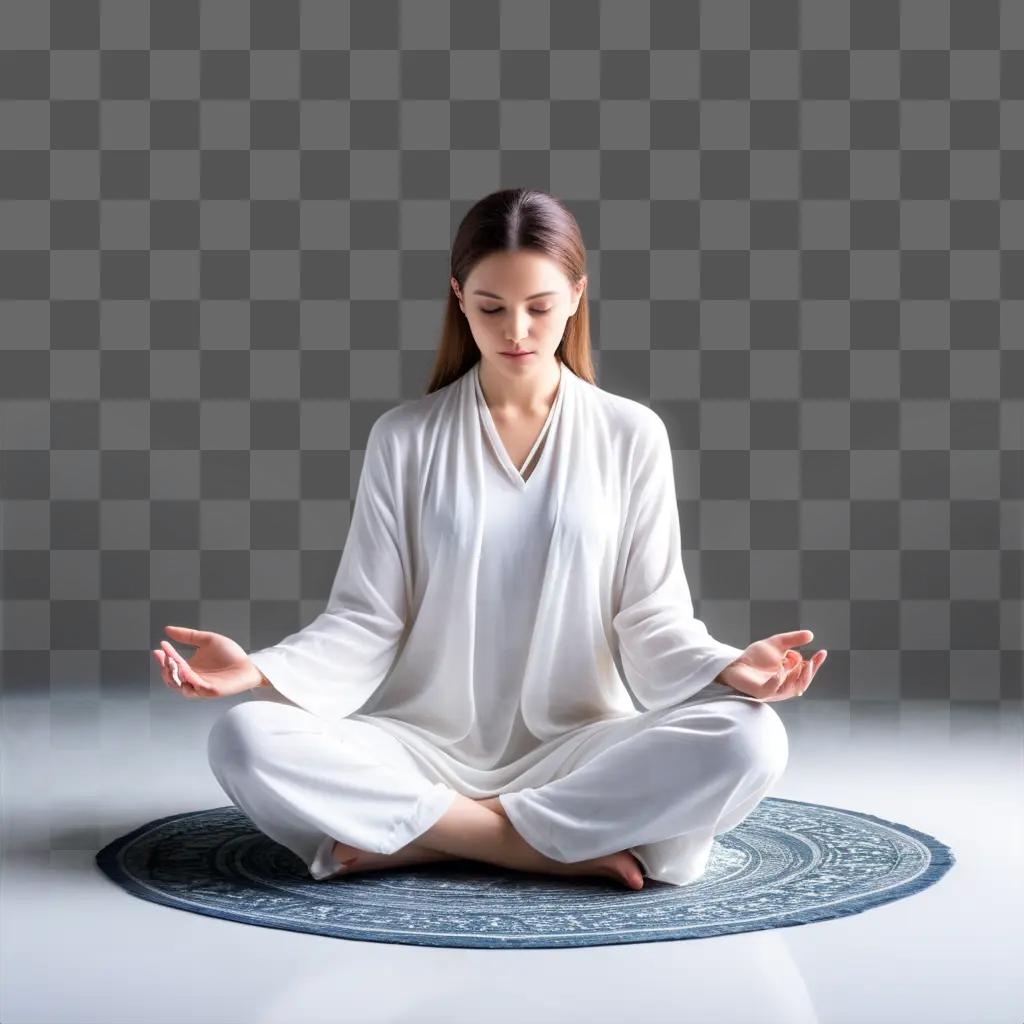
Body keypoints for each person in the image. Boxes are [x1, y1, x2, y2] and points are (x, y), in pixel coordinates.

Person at [152, 188, 827, 891]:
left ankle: (428, 835)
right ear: (459, 298)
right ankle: (527, 844)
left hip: (578, 750)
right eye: (491, 308)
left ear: (576, 296)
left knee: (751, 738)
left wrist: (728, 668)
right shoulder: (405, 438)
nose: (518, 332)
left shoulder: (631, 435)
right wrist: (260, 671)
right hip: (418, 747)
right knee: (245, 738)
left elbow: (650, 620)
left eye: (540, 306)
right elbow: (366, 619)